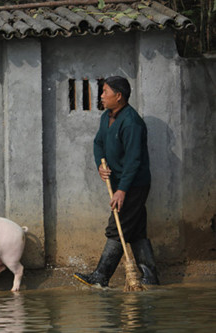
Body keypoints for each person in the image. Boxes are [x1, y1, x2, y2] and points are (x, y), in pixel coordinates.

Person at [73, 76, 159, 287]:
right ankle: (151, 278)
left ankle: (101, 277)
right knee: (136, 231)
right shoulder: (106, 117)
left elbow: (133, 161)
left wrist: (122, 190)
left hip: (133, 185)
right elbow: (98, 143)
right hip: (120, 183)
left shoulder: (131, 123)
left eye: (104, 92)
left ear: (118, 96)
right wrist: (100, 166)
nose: (101, 96)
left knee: (117, 225)